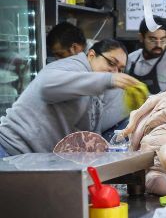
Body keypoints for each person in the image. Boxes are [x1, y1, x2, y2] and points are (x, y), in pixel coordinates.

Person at [0, 39, 143, 157]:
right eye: (111, 63)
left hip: (29, 159)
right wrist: (109, 79)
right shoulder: (72, 66)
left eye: (120, 69)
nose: (115, 72)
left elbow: (88, 134)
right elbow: (46, 86)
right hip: (8, 148)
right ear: (91, 55)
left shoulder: (96, 91)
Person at [126, 17, 166, 94]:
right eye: (153, 40)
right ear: (141, 37)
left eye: (163, 40)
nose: (158, 45)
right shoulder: (130, 59)